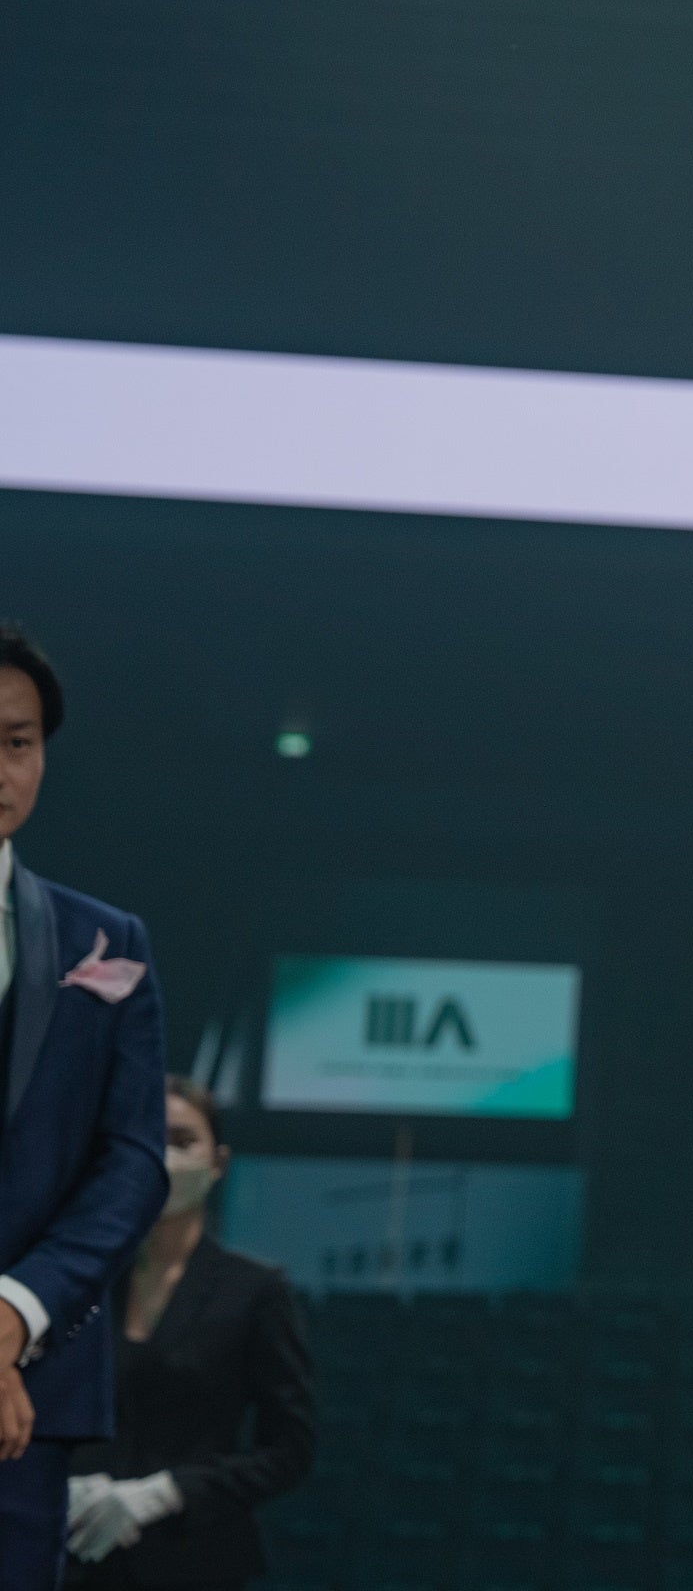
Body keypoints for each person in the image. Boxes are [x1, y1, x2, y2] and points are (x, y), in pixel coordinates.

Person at [0, 622, 172, 1590]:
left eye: (17, 741)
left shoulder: (106, 940)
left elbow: (132, 1159)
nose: (0, 767)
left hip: (25, 1404)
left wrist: (17, 1310)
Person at [67, 1077, 315, 1587]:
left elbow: (290, 1449)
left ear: (218, 1162)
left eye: (184, 1141)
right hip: (73, 1551)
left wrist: (168, 1492)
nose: (166, 1157)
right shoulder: (82, 1279)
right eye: (150, 1139)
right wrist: (55, 1484)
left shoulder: (256, 1291)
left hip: (194, 1560)